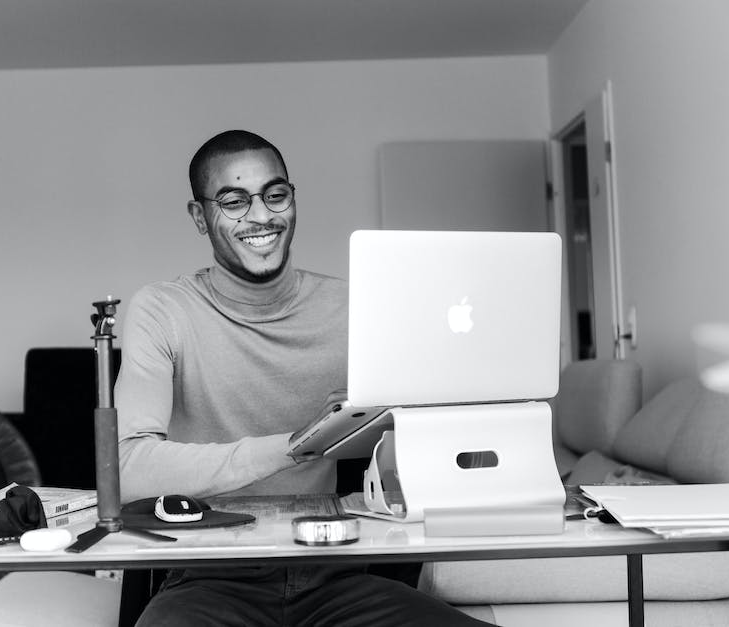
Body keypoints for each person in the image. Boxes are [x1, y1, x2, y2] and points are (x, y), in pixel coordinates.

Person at [113, 129, 490, 626]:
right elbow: (129, 468)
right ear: (199, 217)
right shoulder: (163, 311)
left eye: (276, 195)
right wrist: (297, 445)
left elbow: (423, 438)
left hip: (336, 572)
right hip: (209, 577)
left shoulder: (354, 307)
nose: (262, 216)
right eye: (233, 201)